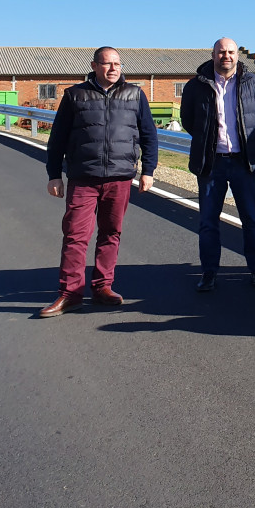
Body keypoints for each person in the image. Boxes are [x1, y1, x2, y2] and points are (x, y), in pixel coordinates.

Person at [41, 47, 158, 317]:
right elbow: (57, 138)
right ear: (94, 66)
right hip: (83, 177)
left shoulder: (135, 95)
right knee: (75, 236)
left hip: (119, 178)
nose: (114, 68)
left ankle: (103, 287)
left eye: (117, 63)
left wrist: (148, 171)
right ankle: (70, 294)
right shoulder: (74, 95)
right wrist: (54, 174)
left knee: (111, 233)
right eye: (107, 64)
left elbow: (149, 135)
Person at [181, 37, 255, 291]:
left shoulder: (253, 83)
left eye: (231, 52)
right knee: (208, 221)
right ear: (213, 55)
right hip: (211, 164)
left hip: (243, 162)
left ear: (237, 56)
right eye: (221, 52)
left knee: (252, 219)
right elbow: (188, 120)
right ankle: (209, 273)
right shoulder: (196, 85)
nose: (227, 56)